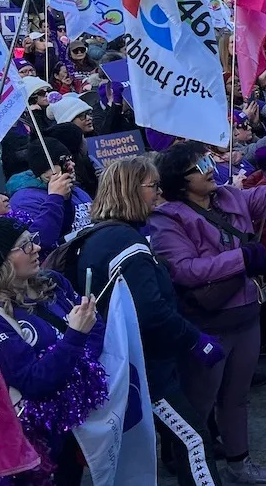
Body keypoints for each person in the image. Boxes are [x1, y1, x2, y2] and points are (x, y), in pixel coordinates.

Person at [79, 156, 225, 486]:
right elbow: (151, 312)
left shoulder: (100, 234)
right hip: (144, 370)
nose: (159, 193)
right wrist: (194, 340)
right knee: (194, 440)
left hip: (130, 365)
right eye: (153, 186)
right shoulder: (125, 242)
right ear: (132, 190)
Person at [150, 142, 266, 484]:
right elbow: (184, 270)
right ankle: (194, 469)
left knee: (237, 397)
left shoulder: (230, 196)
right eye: (198, 166)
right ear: (180, 182)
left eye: (208, 160)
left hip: (246, 316)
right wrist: (242, 258)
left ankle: (240, 464)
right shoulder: (167, 220)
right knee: (200, 402)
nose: (209, 167)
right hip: (207, 325)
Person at [0, 217, 106, 486]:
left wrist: (78, 358)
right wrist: (74, 339)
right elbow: (33, 381)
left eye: (33, 240)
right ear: (2, 261)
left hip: (76, 421)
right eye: (25, 246)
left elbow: (94, 324)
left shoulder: (53, 282)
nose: (36, 248)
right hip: (40, 440)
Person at [7, 139, 93, 258]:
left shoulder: (76, 190)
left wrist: (66, 200)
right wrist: (56, 198)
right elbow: (41, 240)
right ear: (45, 169)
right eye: (64, 161)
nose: (72, 164)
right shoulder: (24, 200)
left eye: (71, 159)